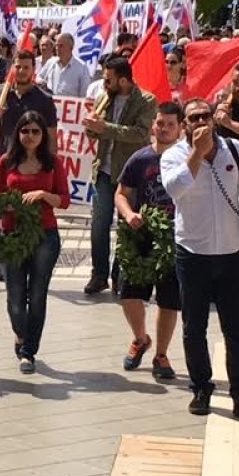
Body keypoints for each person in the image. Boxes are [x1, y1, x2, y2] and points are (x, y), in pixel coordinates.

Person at [161, 98, 239, 422]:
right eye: (193, 118)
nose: (200, 122)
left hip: (231, 253)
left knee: (237, 327)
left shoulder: (234, 150)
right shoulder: (173, 156)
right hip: (193, 253)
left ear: (214, 119)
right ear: (184, 124)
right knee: (194, 326)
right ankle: (201, 387)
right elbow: (176, 190)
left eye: (205, 116)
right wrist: (197, 154)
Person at [0, 111, 70, 374]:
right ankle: (20, 333)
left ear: (43, 135)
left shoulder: (53, 163)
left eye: (36, 131)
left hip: (44, 235)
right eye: (25, 131)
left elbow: (64, 199)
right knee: (15, 296)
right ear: (18, 133)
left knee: (37, 295)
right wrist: (11, 206)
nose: (30, 136)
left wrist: (44, 195)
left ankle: (28, 351)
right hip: (12, 235)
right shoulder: (6, 162)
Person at [115, 102, 183, 379]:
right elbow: (120, 193)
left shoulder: (187, 159)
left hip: (175, 238)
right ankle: (140, 338)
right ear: (152, 125)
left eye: (169, 124)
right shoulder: (139, 159)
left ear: (180, 129)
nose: (163, 129)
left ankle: (162, 354)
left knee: (169, 300)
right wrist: (129, 214)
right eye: (159, 123)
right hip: (141, 236)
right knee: (129, 295)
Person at [0, 49, 59, 282]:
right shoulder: (0, 95)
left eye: (26, 67)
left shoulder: (44, 100)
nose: (22, 71)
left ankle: (31, 259)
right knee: (3, 213)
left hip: (35, 165)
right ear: (11, 69)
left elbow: (52, 137)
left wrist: (50, 168)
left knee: (31, 213)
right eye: (18, 66)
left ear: (33, 70)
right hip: (7, 164)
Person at [82, 56, 156, 296]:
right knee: (99, 225)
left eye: (109, 79)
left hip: (129, 173)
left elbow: (140, 134)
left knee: (127, 225)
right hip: (104, 169)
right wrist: (91, 127)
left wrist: (106, 129)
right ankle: (99, 274)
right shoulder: (104, 98)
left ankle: (121, 274)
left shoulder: (146, 100)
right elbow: (95, 133)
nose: (104, 84)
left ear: (123, 80)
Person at [41, 33, 91, 98]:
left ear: (71, 47)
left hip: (70, 107)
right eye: (56, 45)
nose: (57, 48)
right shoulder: (51, 62)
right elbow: (39, 78)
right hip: (49, 105)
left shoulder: (82, 67)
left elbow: (84, 95)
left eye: (61, 46)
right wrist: (43, 83)